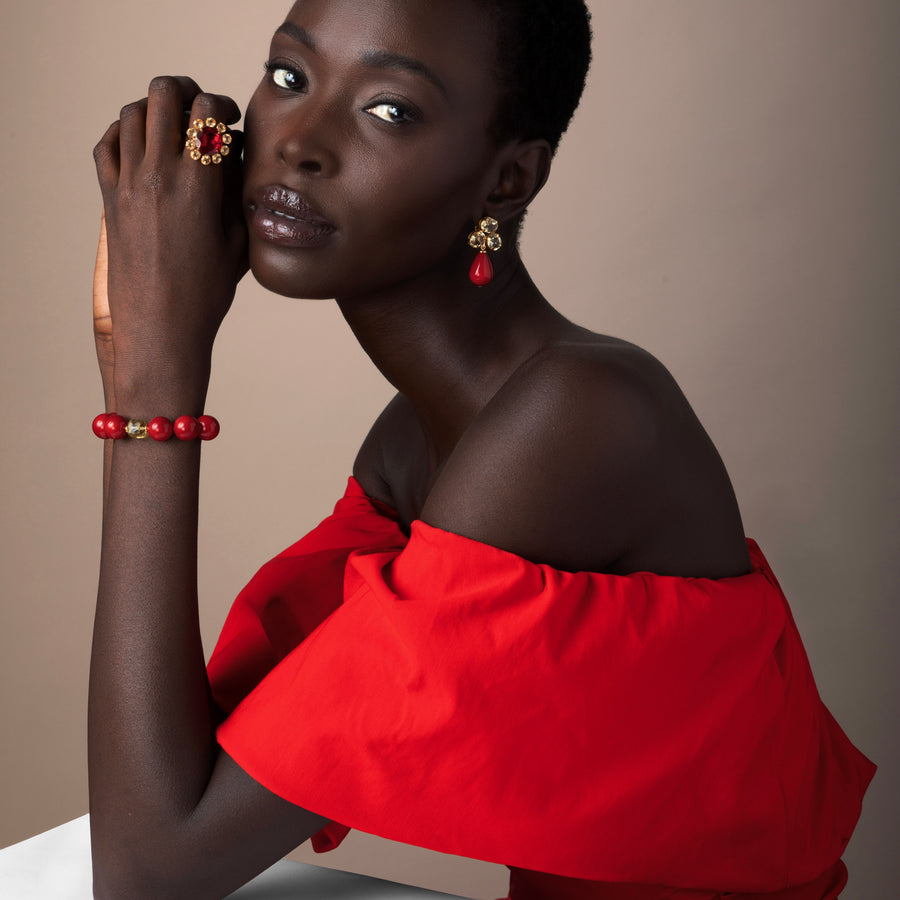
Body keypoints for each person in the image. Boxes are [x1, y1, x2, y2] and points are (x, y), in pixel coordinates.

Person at [87, 1, 875, 898]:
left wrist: (152, 379)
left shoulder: (574, 419)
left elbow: (153, 865)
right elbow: (177, 785)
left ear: (507, 182)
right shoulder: (419, 435)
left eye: (389, 109)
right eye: (290, 77)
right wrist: (148, 347)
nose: (299, 142)